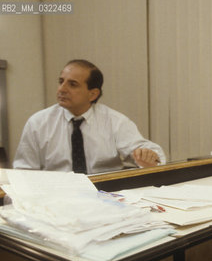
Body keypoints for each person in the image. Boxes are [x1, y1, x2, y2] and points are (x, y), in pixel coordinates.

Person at [13, 59, 166, 174]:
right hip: (56, 197)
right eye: (61, 82)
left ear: (93, 94)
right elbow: (23, 172)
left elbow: (149, 152)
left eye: (72, 84)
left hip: (104, 195)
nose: (62, 89)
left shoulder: (114, 121)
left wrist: (147, 155)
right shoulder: (38, 123)